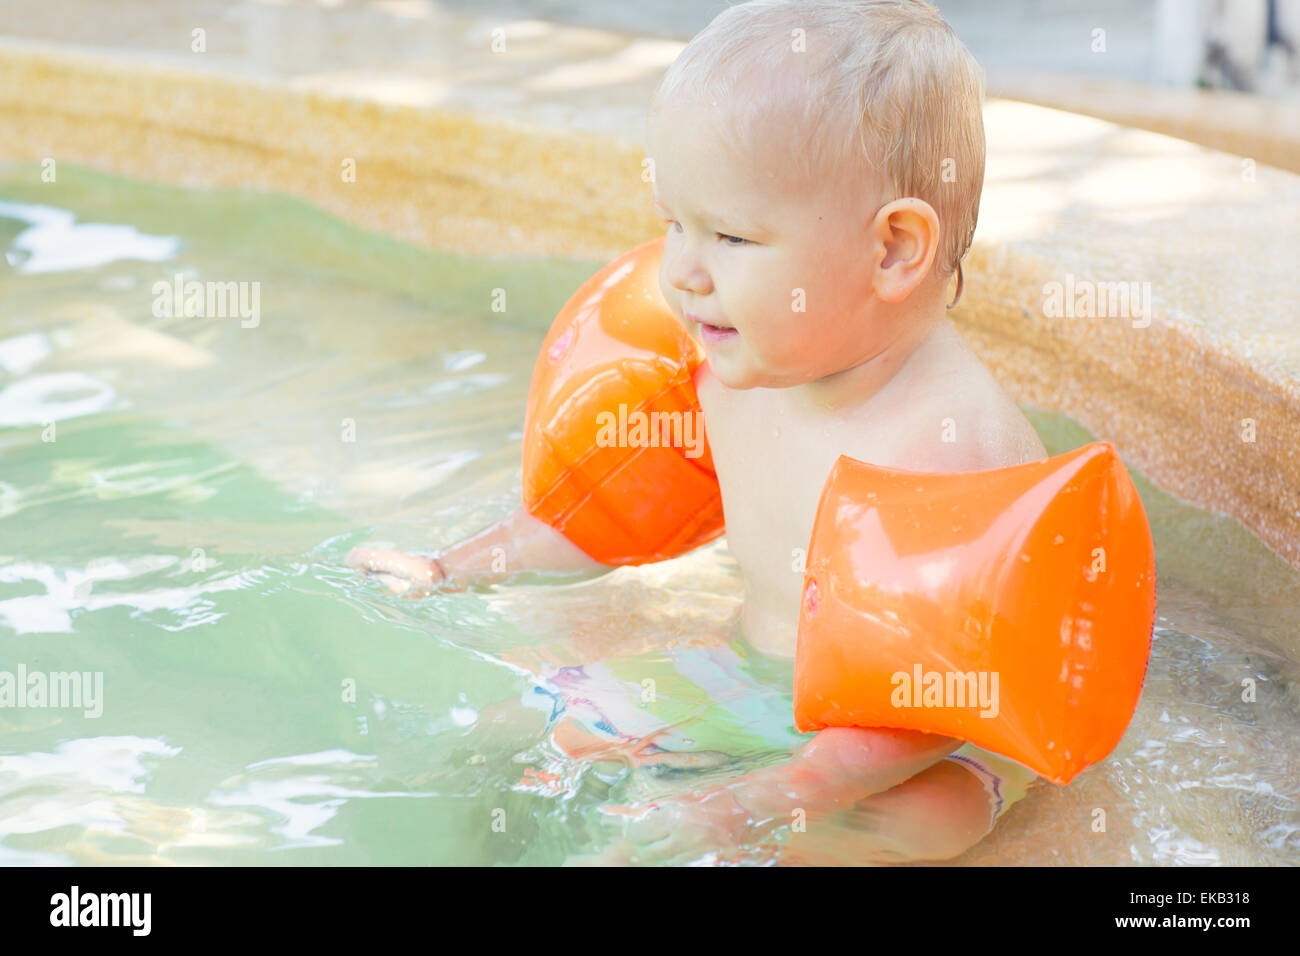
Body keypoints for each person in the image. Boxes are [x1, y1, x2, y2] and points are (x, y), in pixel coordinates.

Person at [348, 0, 1044, 864]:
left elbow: (936, 700)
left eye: (731, 235)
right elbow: (607, 521)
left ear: (894, 249)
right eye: (674, 223)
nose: (681, 270)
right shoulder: (733, 369)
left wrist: (760, 802)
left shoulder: (949, 448)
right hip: (756, 677)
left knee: (902, 824)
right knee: (512, 727)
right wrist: (455, 568)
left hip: (931, 733)